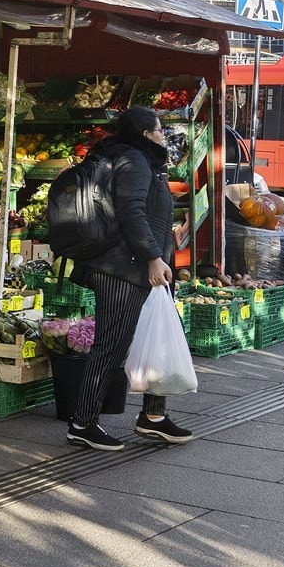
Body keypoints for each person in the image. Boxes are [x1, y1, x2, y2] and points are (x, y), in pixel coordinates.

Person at [66, 106, 193, 451]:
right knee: (112, 343)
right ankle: (82, 422)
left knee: (159, 335)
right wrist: (153, 257)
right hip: (123, 268)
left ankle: (153, 416)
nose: (162, 135)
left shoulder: (133, 158)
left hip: (137, 264)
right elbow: (131, 211)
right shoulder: (134, 161)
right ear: (143, 134)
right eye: (158, 130)